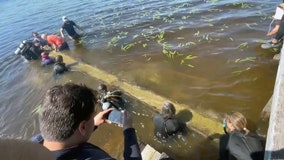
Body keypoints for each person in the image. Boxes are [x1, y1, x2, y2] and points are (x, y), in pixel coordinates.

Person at [31, 83, 142, 160]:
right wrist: (128, 130)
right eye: (93, 116)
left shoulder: (34, 143)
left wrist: (93, 124)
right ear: (82, 127)